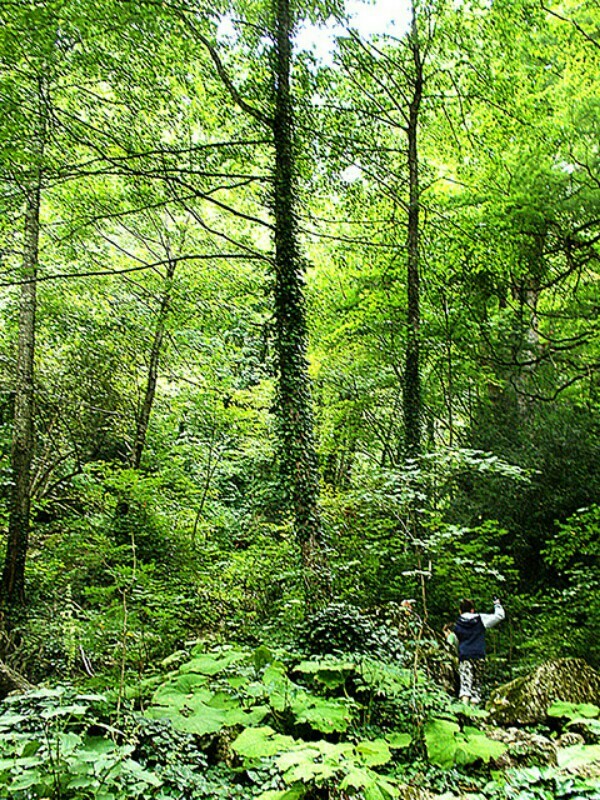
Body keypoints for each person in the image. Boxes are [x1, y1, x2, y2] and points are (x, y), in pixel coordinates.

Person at [454, 597, 505, 705]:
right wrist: (497, 604)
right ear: (472, 610)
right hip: (478, 655)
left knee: (465, 685)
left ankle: (464, 711)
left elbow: (456, 642)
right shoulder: (480, 619)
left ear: (460, 610)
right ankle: (474, 714)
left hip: (465, 656)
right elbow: (500, 616)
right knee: (477, 686)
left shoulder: (457, 624)